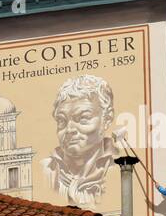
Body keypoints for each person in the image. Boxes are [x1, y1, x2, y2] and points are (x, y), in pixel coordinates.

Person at [41, 75, 118, 206]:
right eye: (62, 120)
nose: (69, 129)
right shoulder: (46, 170)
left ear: (107, 119)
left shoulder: (118, 168)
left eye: (83, 118)